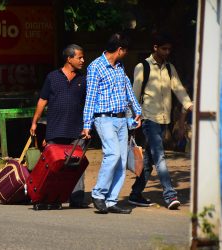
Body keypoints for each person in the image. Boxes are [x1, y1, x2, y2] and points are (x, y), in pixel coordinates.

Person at [128, 32, 193, 210]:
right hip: (149, 118)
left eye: (169, 49)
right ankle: (170, 195)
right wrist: (134, 118)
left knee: (149, 159)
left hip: (164, 120)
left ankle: (135, 194)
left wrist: (189, 105)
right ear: (155, 47)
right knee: (160, 156)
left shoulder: (170, 68)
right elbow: (134, 94)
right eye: (164, 48)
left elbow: (178, 89)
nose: (167, 52)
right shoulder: (143, 67)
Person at [83, 32, 142, 214]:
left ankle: (111, 200)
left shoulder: (119, 66)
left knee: (122, 160)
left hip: (122, 119)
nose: (126, 53)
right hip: (104, 119)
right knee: (113, 155)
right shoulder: (95, 67)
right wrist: (86, 124)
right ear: (120, 49)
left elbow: (127, 89)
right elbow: (90, 97)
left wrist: (137, 111)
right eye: (125, 50)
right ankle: (98, 193)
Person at [30, 44, 88, 208]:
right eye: (79, 57)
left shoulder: (83, 79)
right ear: (69, 59)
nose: (83, 60)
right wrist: (35, 122)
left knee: (76, 166)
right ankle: (50, 197)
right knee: (53, 167)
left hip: (77, 130)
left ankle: (76, 199)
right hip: (55, 129)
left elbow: (88, 104)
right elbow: (42, 100)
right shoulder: (52, 77)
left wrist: (87, 126)